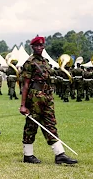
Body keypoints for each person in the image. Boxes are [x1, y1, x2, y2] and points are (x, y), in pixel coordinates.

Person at [19, 36, 77, 165]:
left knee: (50, 124)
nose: (40, 48)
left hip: (47, 96)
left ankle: (59, 154)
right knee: (31, 125)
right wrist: (23, 105)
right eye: (37, 46)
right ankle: (28, 155)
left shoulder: (45, 61)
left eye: (41, 45)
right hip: (35, 96)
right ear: (32, 47)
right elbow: (26, 85)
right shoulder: (30, 62)